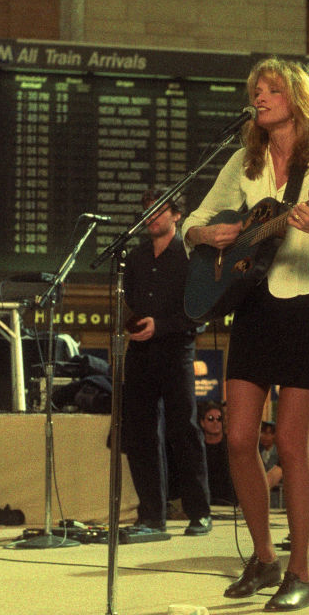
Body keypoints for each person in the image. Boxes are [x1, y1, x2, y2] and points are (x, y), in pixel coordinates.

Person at [181, 57, 309, 611]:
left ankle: (301, 572)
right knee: (237, 438)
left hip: (308, 303)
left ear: (297, 99)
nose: (260, 97)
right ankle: (263, 556)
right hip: (253, 301)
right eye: (255, 90)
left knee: (289, 441)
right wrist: (209, 232)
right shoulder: (243, 158)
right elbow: (195, 221)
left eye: (271, 89)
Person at [120, 192, 211, 536]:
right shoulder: (136, 258)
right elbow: (129, 301)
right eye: (146, 211)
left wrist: (161, 325)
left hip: (176, 349)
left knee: (184, 430)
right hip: (140, 352)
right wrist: (133, 324)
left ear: (176, 216)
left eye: (158, 211)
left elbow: (198, 312)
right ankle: (152, 516)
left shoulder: (190, 256)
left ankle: (199, 512)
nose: (150, 217)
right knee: (142, 434)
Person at [199, 400, 236, 507]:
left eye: (219, 419)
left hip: (230, 504)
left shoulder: (231, 446)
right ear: (202, 422)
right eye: (210, 419)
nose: (215, 422)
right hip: (204, 504)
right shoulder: (198, 448)